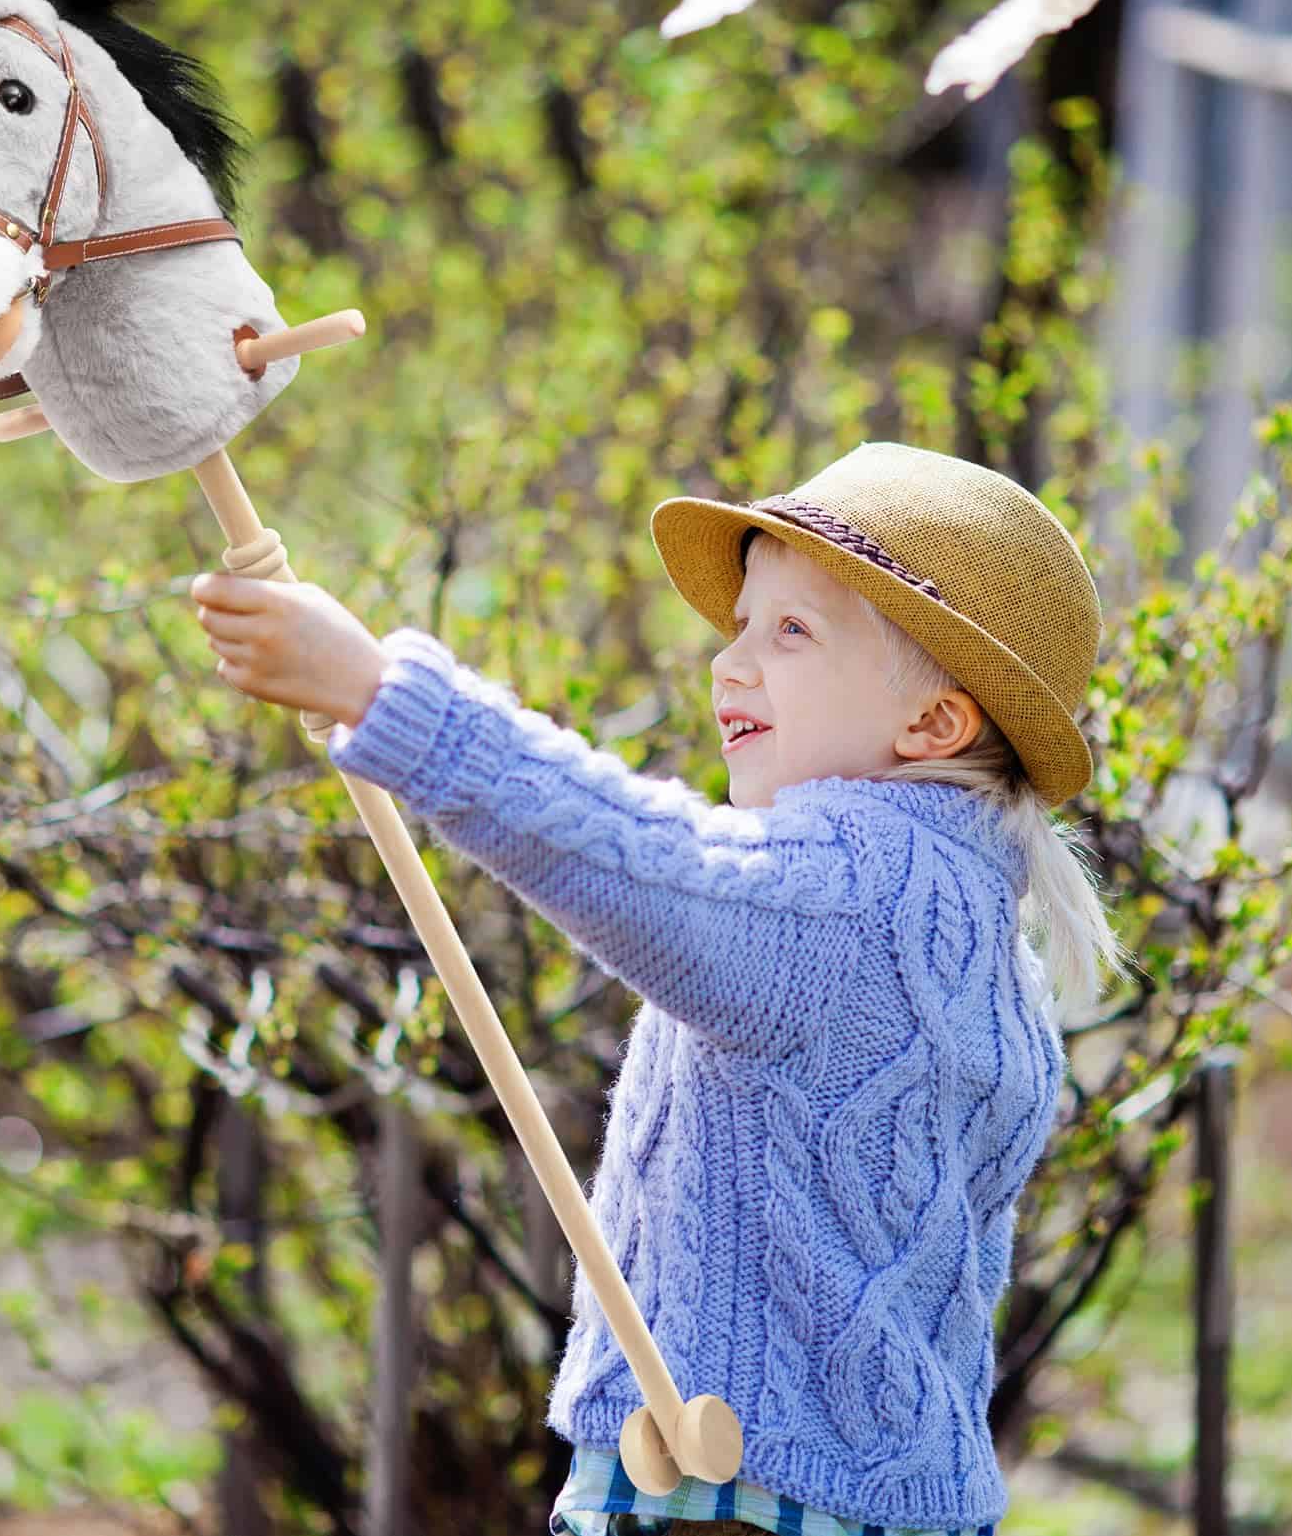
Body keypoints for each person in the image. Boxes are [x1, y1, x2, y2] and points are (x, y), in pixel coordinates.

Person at [190, 440, 1134, 1536]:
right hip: (877, 1493)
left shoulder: (850, 894)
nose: (728, 663)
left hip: (739, 1498)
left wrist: (381, 691)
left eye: (789, 631)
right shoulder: (978, 937)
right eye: (738, 624)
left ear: (932, 722)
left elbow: (642, 861)